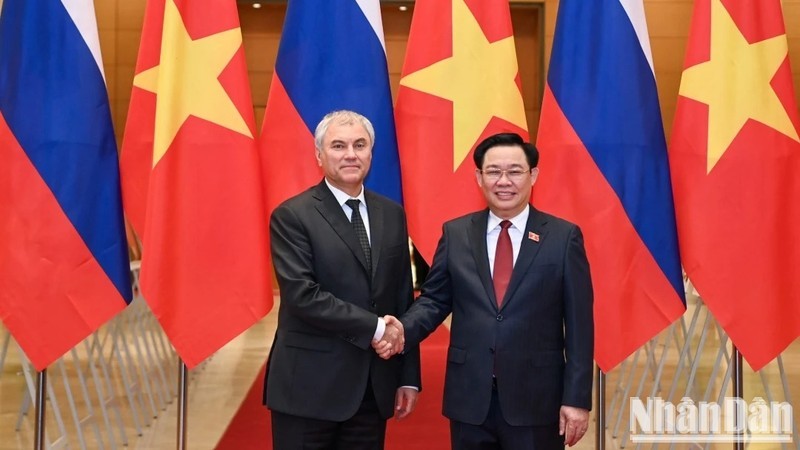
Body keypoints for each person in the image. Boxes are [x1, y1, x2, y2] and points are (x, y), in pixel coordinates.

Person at [377, 132, 594, 449]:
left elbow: (579, 326)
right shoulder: (456, 233)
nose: (504, 181)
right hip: (470, 398)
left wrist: (576, 398)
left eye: (515, 171)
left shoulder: (563, 238)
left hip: (536, 400)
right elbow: (435, 300)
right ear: (479, 176)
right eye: (493, 171)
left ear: (533, 174)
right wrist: (402, 330)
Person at [265, 110, 420, 450]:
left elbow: (401, 298)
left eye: (359, 145)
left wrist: (408, 377)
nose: (350, 154)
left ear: (370, 154)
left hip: (372, 388)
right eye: (338, 145)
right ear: (319, 154)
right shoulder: (293, 216)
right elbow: (303, 296)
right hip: (307, 389)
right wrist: (378, 329)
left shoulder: (392, 214)